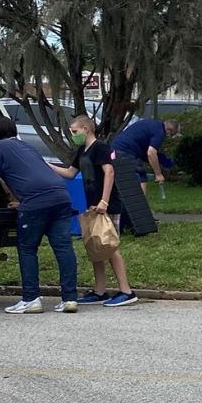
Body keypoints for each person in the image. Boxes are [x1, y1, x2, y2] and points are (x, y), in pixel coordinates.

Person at [0, 117, 78, 314]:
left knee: (27, 248)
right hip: (60, 196)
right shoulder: (26, 146)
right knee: (63, 248)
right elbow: (33, 173)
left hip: (36, 202)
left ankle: (31, 298)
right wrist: (24, 201)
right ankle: (69, 299)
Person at [48, 115, 138, 307]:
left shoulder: (100, 148)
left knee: (110, 245)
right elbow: (70, 173)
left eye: (75, 132)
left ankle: (126, 290)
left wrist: (104, 200)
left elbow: (109, 172)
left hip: (107, 204)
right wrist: (47, 166)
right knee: (95, 246)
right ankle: (99, 290)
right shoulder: (82, 151)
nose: (73, 136)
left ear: (86, 129)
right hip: (91, 205)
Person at [111, 117, 180, 197]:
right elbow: (151, 153)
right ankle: (139, 207)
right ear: (168, 130)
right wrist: (158, 174)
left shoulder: (151, 124)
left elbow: (144, 150)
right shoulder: (160, 132)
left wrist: (165, 162)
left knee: (119, 180)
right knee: (140, 177)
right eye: (171, 135)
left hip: (114, 149)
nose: (168, 136)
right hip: (125, 151)